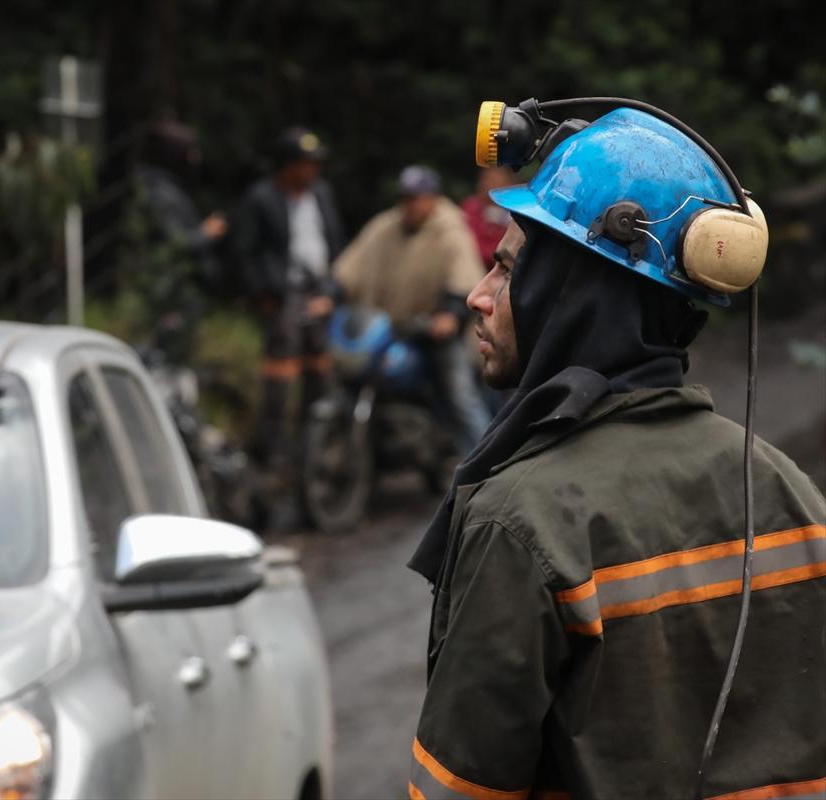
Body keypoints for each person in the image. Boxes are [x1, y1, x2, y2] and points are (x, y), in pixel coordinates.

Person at [406, 107, 825, 800]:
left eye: (508, 272)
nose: (479, 297)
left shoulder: (520, 522)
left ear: (569, 293)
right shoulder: (791, 494)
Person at [334, 165, 491, 457]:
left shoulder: (451, 228)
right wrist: (329, 295)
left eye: (417, 198)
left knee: (460, 398)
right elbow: (349, 268)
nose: (410, 205)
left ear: (432, 198)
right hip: (386, 330)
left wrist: (449, 316)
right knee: (347, 377)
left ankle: (486, 463)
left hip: (434, 333)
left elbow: (463, 281)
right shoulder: (384, 226)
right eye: (406, 198)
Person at [232, 126, 346, 521]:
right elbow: (245, 253)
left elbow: (335, 243)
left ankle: (317, 457)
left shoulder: (321, 194)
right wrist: (265, 297)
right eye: (304, 164)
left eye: (314, 164)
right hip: (282, 296)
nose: (311, 171)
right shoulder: (262, 198)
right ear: (286, 166)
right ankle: (275, 467)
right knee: (279, 388)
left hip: (318, 291)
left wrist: (332, 289)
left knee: (322, 379)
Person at [135, 120, 228, 361]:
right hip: (171, 293)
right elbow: (176, 244)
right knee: (170, 358)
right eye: (189, 152)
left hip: (177, 291)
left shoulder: (165, 188)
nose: (195, 159)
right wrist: (206, 233)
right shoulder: (160, 192)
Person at [460, 164, 515, 269]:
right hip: (472, 268)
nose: (487, 184)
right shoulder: (470, 207)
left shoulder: (516, 213)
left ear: (509, 184)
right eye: (485, 179)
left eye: (495, 180)